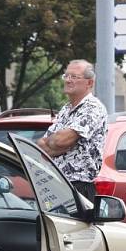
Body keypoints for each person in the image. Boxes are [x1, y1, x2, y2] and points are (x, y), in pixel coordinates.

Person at [37, 59, 108, 201]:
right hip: (56, 184)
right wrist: (63, 145)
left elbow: (60, 140)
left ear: (89, 83)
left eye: (74, 77)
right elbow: (42, 145)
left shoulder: (93, 108)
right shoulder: (66, 109)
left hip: (78, 188)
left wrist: (59, 144)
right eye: (66, 76)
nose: (68, 80)